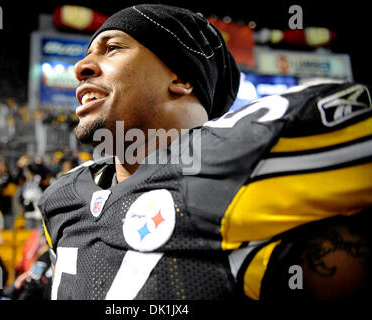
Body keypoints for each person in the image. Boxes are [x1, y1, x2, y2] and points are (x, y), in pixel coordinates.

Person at [38, 4, 371, 300]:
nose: (81, 66)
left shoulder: (236, 156)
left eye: (112, 48)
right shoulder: (62, 198)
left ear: (182, 78)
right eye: (88, 52)